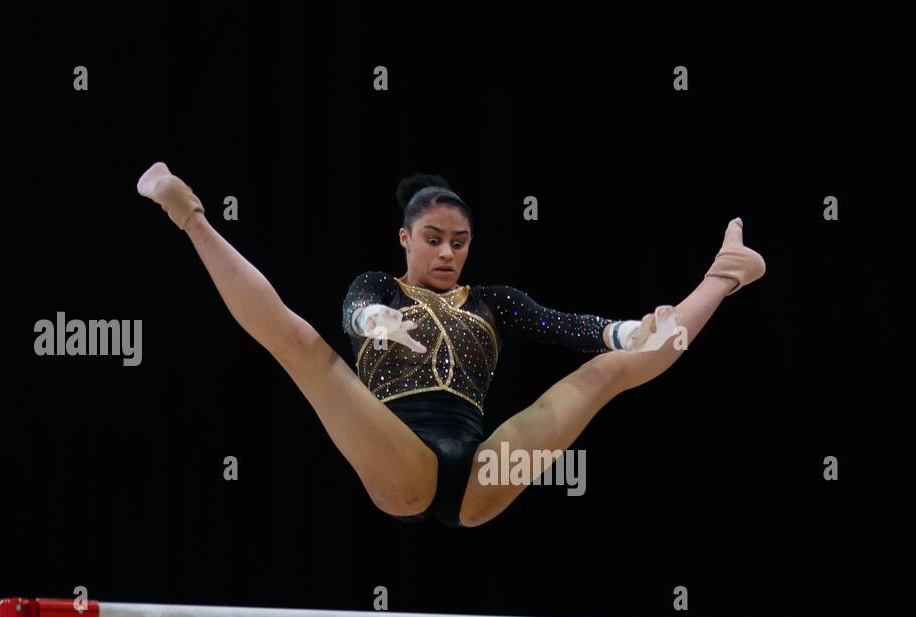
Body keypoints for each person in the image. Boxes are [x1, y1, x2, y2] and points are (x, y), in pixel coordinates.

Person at [136, 163, 765, 528]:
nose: (446, 252)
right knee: (301, 343)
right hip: (403, 468)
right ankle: (191, 216)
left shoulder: (496, 301)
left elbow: (570, 327)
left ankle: (724, 275)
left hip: (484, 476)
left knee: (607, 372)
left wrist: (630, 332)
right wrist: (375, 323)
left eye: (459, 241)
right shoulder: (378, 285)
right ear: (405, 238)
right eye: (433, 238)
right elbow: (355, 310)